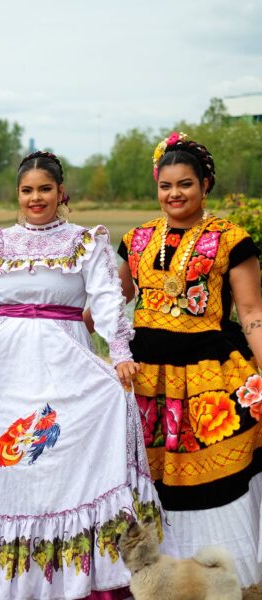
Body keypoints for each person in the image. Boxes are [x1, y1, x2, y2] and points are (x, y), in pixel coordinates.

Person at [0, 152, 171, 599]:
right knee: (5, 462)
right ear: (17, 195)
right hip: (6, 360)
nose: (36, 197)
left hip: (65, 358)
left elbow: (106, 299)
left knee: (55, 462)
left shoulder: (87, 241)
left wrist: (119, 352)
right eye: (27, 190)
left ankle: (77, 573)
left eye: (45, 189)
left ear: (61, 193)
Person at [116, 132, 262, 587]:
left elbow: (253, 313)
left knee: (211, 466)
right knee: (148, 469)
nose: (174, 194)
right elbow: (108, 303)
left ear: (205, 185)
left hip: (208, 373)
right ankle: (153, 570)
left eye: (186, 184)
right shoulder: (135, 239)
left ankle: (217, 572)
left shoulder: (231, 239)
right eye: (166, 185)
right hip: (145, 374)